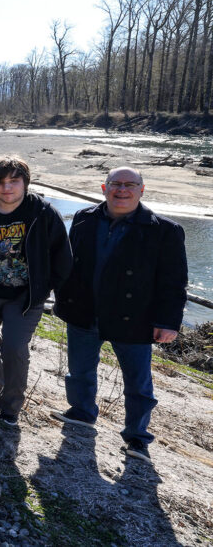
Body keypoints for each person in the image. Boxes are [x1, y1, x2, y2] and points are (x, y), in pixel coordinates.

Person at [52, 167, 187, 463]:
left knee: (138, 384)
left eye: (129, 185)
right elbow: (70, 265)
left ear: (142, 189)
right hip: (85, 311)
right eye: (115, 184)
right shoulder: (84, 218)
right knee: (79, 371)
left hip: (134, 318)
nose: (121, 190)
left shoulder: (165, 229)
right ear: (104, 188)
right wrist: (63, 299)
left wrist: (168, 322)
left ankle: (137, 438)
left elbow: (173, 281)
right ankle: (82, 412)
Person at [0, 155, 72, 429]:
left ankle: (10, 408)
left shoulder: (43, 212)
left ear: (25, 182)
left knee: (15, 347)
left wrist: (45, 289)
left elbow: (63, 257)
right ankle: (0, 392)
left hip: (26, 297)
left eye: (14, 181)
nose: (7, 188)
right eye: (0, 183)